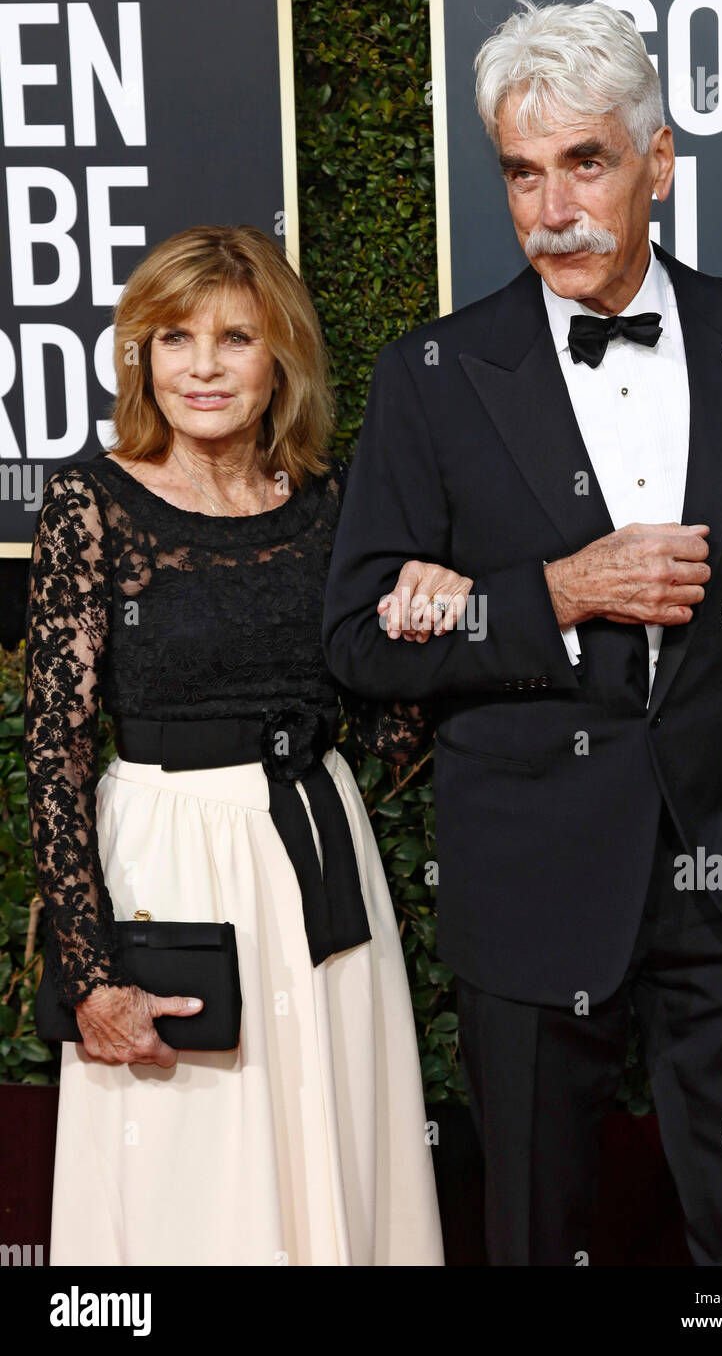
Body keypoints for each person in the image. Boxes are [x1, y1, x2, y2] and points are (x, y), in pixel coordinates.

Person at [322, 0, 722, 1265]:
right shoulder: (432, 377)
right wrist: (557, 591)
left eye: (585, 162)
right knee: (531, 1230)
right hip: (528, 881)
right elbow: (355, 637)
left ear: (657, 162)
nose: (551, 207)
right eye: (521, 171)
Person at [24, 224, 448, 1266]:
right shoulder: (92, 502)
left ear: (281, 359)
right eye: (173, 338)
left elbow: (389, 731)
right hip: (166, 863)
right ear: (142, 356)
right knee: (182, 1175)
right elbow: (55, 748)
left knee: (333, 1138)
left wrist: (422, 614)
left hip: (316, 850)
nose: (202, 366)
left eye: (233, 338)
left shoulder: (332, 503)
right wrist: (89, 970)